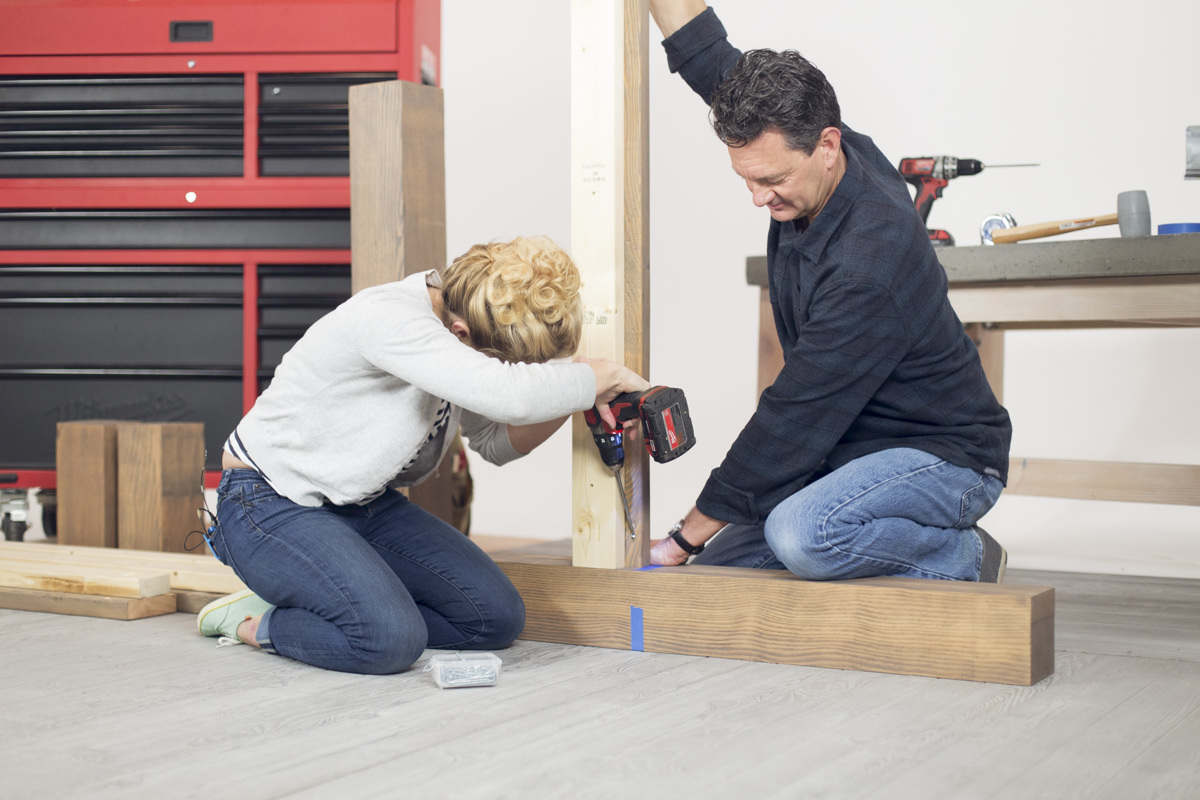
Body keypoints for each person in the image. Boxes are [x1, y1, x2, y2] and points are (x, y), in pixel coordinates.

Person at [647, 1, 1013, 583]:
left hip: (946, 457)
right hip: (848, 451)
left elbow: (795, 414)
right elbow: (711, 60)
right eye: (746, 179)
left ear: (827, 146)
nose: (758, 199)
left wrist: (682, 537)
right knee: (731, 562)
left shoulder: (871, 259)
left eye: (772, 180)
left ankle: (963, 555)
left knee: (801, 536)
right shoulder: (808, 135)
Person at [197, 235, 650, 674]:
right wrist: (598, 377)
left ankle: (339, 600)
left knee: (494, 618)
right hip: (267, 502)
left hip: (357, 505)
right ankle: (257, 622)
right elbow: (509, 396)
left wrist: (580, 396)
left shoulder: (452, 332)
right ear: (461, 333)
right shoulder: (390, 317)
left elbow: (495, 443)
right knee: (388, 641)